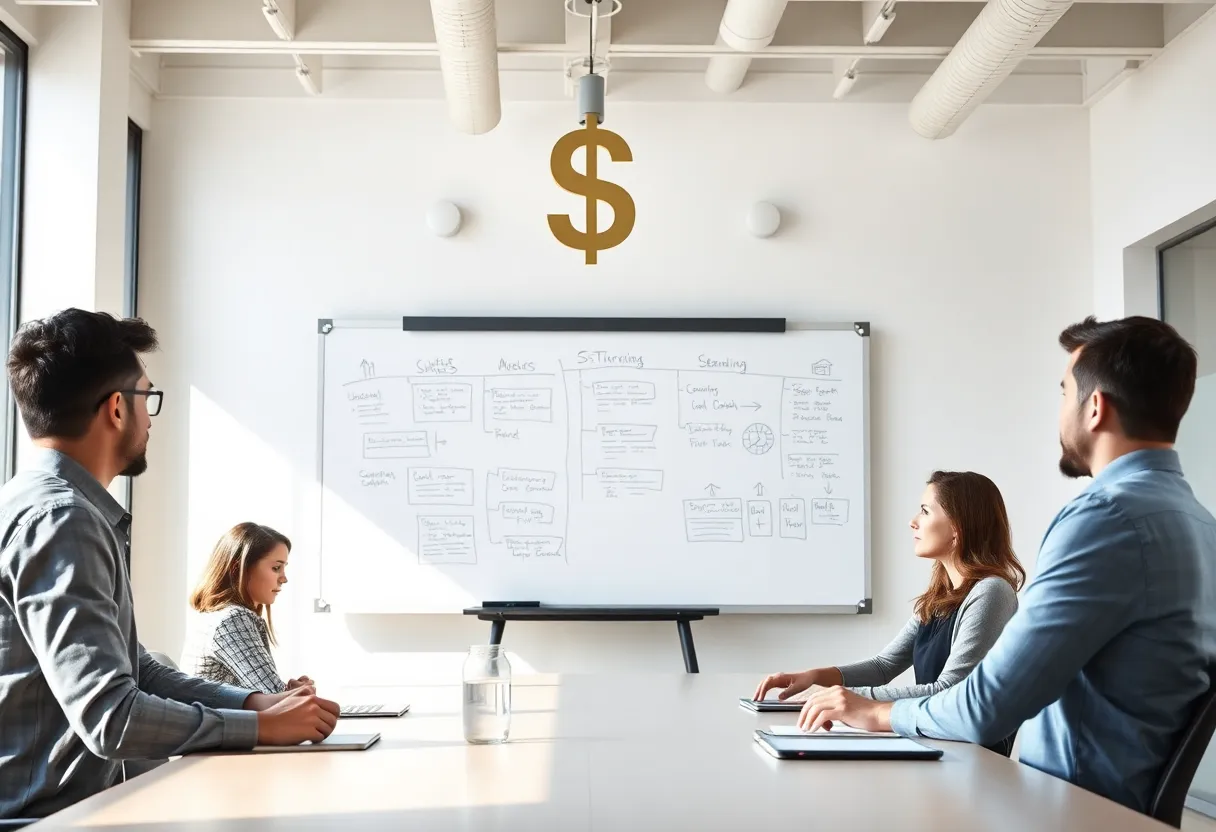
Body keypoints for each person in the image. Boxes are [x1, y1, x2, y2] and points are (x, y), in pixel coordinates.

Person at [797, 315, 1216, 815]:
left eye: (1064, 393)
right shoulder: (1199, 523)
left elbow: (986, 705)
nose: (1060, 410)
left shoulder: (1104, 519)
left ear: (1095, 408)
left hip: (1066, 811)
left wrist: (877, 713)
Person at [0, 309, 341, 820]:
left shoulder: (49, 506)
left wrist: (253, 704)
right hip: (53, 820)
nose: (151, 417)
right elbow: (110, 716)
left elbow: (135, 669)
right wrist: (258, 728)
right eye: (147, 397)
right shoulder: (62, 519)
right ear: (118, 408)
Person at [753, 470, 1025, 756]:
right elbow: (884, 666)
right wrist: (815, 677)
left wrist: (848, 699)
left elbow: (949, 691)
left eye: (925, 511)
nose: (913, 521)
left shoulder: (992, 592)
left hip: (976, 759)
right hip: (935, 744)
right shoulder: (940, 596)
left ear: (957, 527)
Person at [181, 522, 314, 693]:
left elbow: (271, 694)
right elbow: (276, 697)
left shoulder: (215, 616)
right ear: (238, 569)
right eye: (276, 568)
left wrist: (292, 689)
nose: (284, 579)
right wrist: (300, 692)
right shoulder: (232, 619)